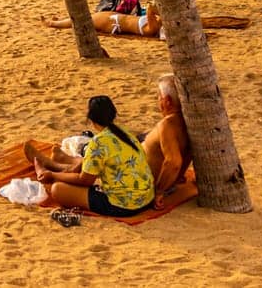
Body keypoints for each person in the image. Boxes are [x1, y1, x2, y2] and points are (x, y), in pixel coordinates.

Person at [28, 76, 193, 200]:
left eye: (159, 97)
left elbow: (174, 162)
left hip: (135, 186)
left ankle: (56, 168)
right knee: (101, 158)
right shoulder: (188, 123)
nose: (158, 102)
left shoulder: (167, 126)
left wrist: (159, 192)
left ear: (167, 101)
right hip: (136, 176)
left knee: (60, 188)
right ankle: (61, 162)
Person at [28, 95, 155, 217]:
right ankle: (60, 166)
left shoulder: (98, 142)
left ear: (91, 119)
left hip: (124, 206)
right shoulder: (124, 132)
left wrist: (53, 175)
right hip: (147, 199)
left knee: (58, 189)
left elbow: (85, 181)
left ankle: (53, 169)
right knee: (92, 162)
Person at [43, 1, 163, 37]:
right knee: (88, 18)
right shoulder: (156, 25)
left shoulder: (151, 30)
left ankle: (53, 23)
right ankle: (60, 21)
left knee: (86, 19)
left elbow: (150, 9)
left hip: (112, 23)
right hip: (115, 19)